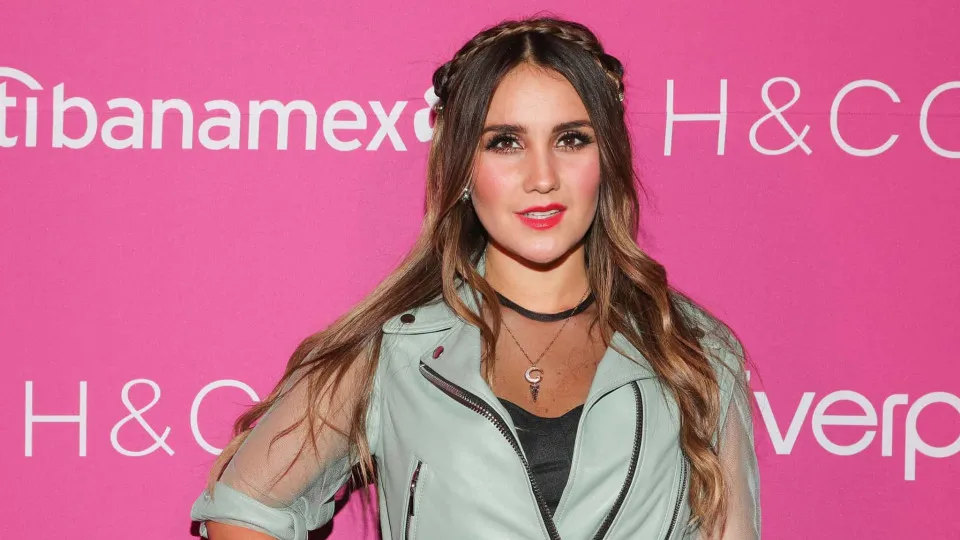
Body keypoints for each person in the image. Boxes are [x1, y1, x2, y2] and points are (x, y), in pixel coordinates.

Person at [190, 16, 761, 540]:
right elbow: (243, 508)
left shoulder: (693, 351)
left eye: (571, 139)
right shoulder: (395, 351)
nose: (542, 176)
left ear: (606, 159)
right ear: (463, 166)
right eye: (505, 142)